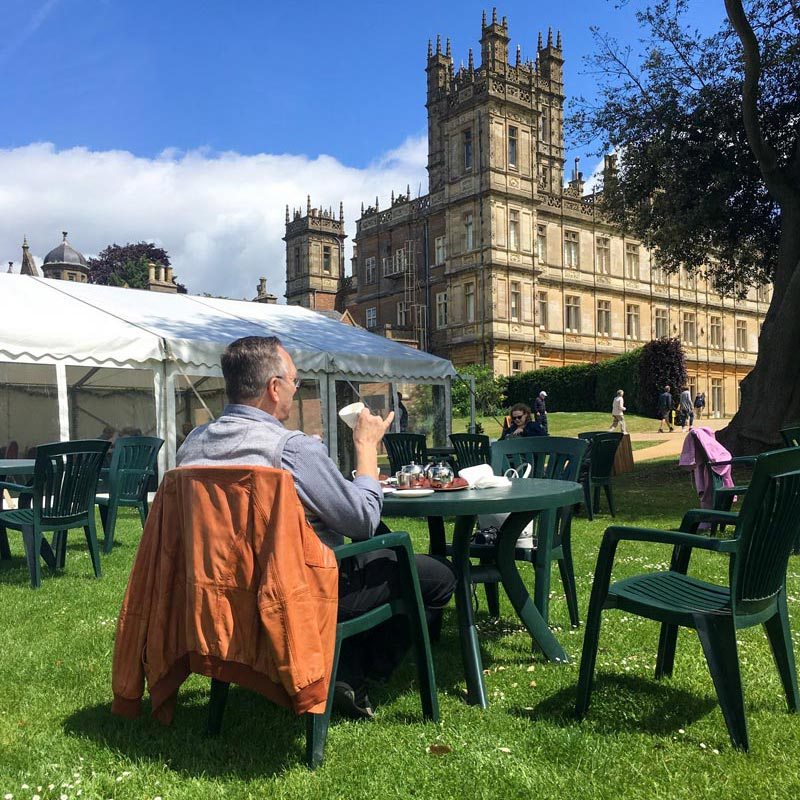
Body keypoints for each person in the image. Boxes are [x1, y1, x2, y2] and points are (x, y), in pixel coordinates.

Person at [177, 336, 455, 719]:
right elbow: (360, 519)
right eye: (294, 381)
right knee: (438, 576)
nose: (295, 389)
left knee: (377, 547)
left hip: (221, 594)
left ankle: (343, 669)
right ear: (274, 388)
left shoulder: (192, 446)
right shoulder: (291, 449)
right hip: (294, 594)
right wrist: (366, 448)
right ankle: (353, 673)